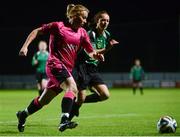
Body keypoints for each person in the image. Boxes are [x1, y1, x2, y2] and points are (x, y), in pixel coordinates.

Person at [16, 4, 104, 132]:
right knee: (72, 88)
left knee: (43, 101)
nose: (85, 21)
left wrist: (96, 55)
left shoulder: (82, 33)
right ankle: (64, 120)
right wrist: (25, 47)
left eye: (86, 18)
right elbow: (36, 31)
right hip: (54, 65)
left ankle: (23, 114)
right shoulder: (58, 26)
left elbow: (90, 51)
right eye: (83, 17)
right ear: (73, 15)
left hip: (65, 69)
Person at [69, 10, 119, 120]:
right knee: (81, 97)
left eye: (107, 21)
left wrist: (103, 54)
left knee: (105, 95)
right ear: (97, 21)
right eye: (103, 20)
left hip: (93, 68)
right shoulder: (90, 33)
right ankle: (66, 120)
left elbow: (99, 52)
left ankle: (77, 102)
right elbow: (91, 51)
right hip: (82, 66)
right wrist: (106, 50)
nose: (105, 22)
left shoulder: (107, 35)